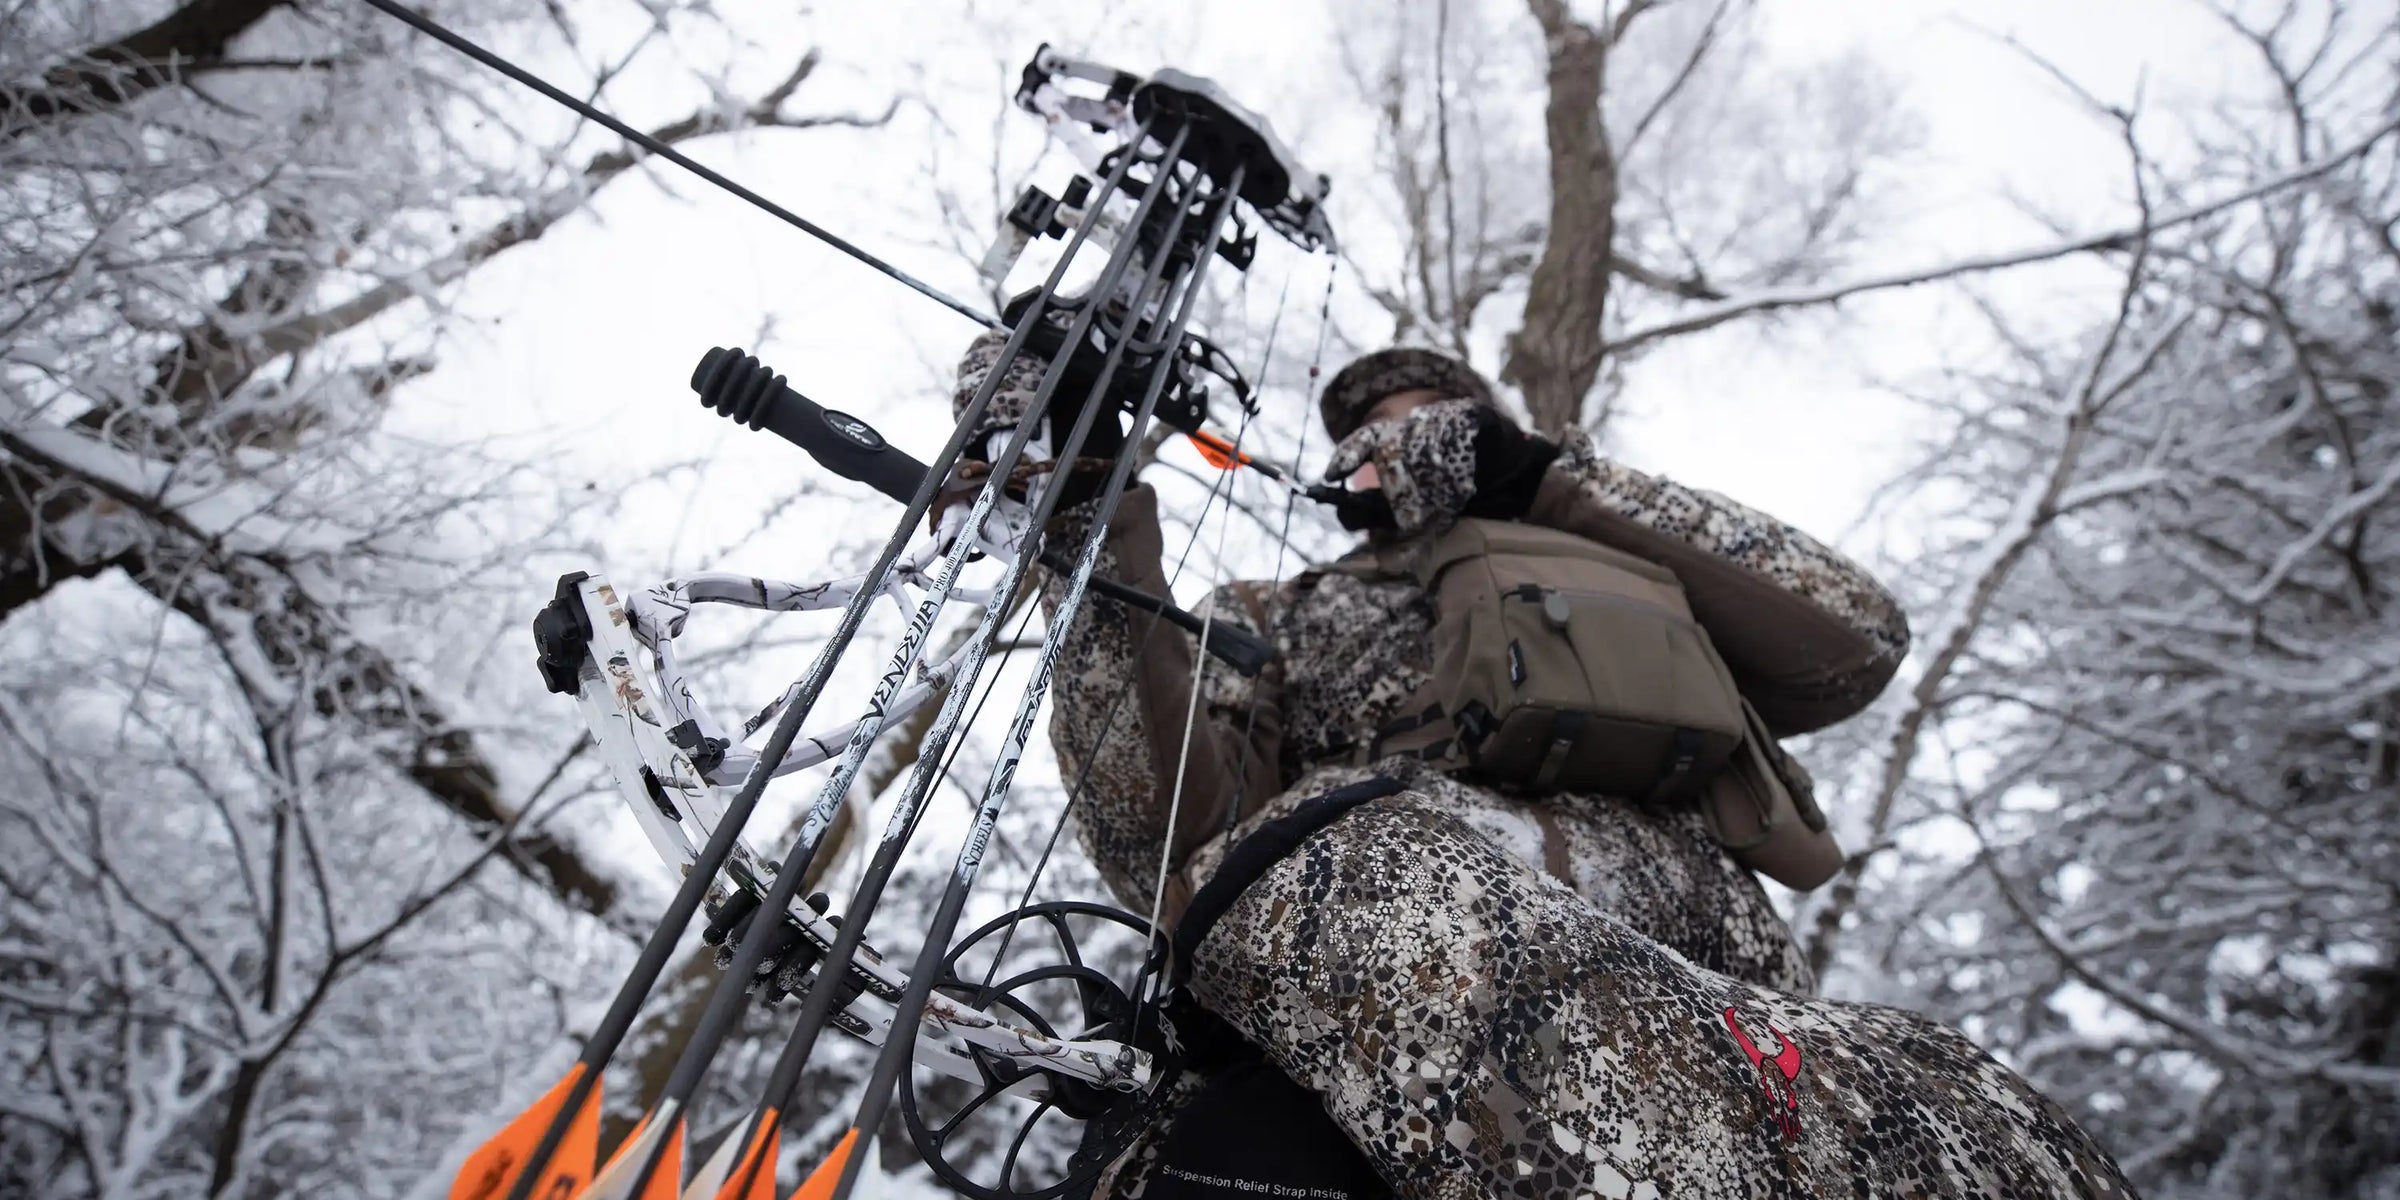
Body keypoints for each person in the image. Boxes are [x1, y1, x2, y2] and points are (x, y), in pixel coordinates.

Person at [950, 331, 2138, 1199]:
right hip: (1373, 959)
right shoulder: (1276, 611)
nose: (1398, 438)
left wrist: (1546, 480)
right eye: (1370, 430)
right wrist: (1094, 519)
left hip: (1697, 955)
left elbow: (1858, 637)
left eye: (1435, 417)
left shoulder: (1625, 562)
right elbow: (1155, 836)